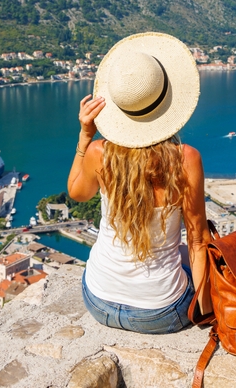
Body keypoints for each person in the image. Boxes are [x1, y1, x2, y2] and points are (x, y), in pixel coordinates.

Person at [67, 32, 212, 334]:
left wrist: (84, 135)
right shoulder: (185, 159)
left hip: (98, 300)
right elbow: (198, 241)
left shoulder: (99, 153)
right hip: (160, 313)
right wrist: (207, 313)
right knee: (189, 253)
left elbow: (76, 193)